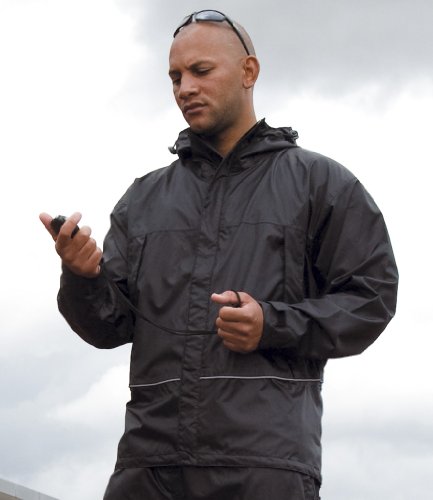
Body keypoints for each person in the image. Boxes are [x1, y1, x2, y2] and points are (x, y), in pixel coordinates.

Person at [40, 10, 398, 500]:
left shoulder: (321, 184)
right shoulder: (144, 199)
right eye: (175, 77)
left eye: (201, 71)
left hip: (263, 467)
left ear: (249, 71)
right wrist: (84, 276)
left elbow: (372, 299)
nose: (185, 88)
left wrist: (271, 324)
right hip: (149, 468)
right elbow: (109, 328)